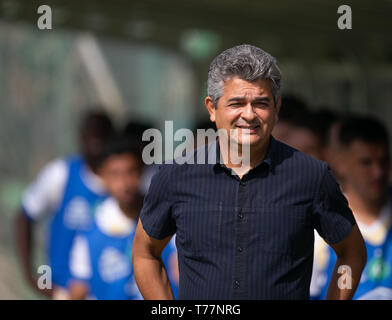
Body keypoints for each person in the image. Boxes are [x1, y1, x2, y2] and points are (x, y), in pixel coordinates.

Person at [132, 44, 366, 300]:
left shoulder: (312, 176)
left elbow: (352, 252)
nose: (249, 114)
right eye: (236, 103)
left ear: (277, 108)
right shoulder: (175, 176)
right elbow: (145, 253)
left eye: (261, 103)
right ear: (212, 108)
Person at [15, 110, 115, 299]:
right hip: (65, 291)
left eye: (101, 136)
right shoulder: (61, 174)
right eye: (89, 135)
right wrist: (30, 276)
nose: (95, 143)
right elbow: (25, 216)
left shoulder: (125, 185)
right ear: (80, 137)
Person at [68, 136, 179, 299]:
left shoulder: (168, 218)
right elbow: (78, 288)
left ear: (142, 171)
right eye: (115, 174)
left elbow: (180, 273)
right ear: (102, 176)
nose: (124, 183)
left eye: (131, 172)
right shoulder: (89, 231)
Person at [311, 115, 392, 299]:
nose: (378, 172)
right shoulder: (319, 228)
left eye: (383, 161)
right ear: (340, 164)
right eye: (366, 162)